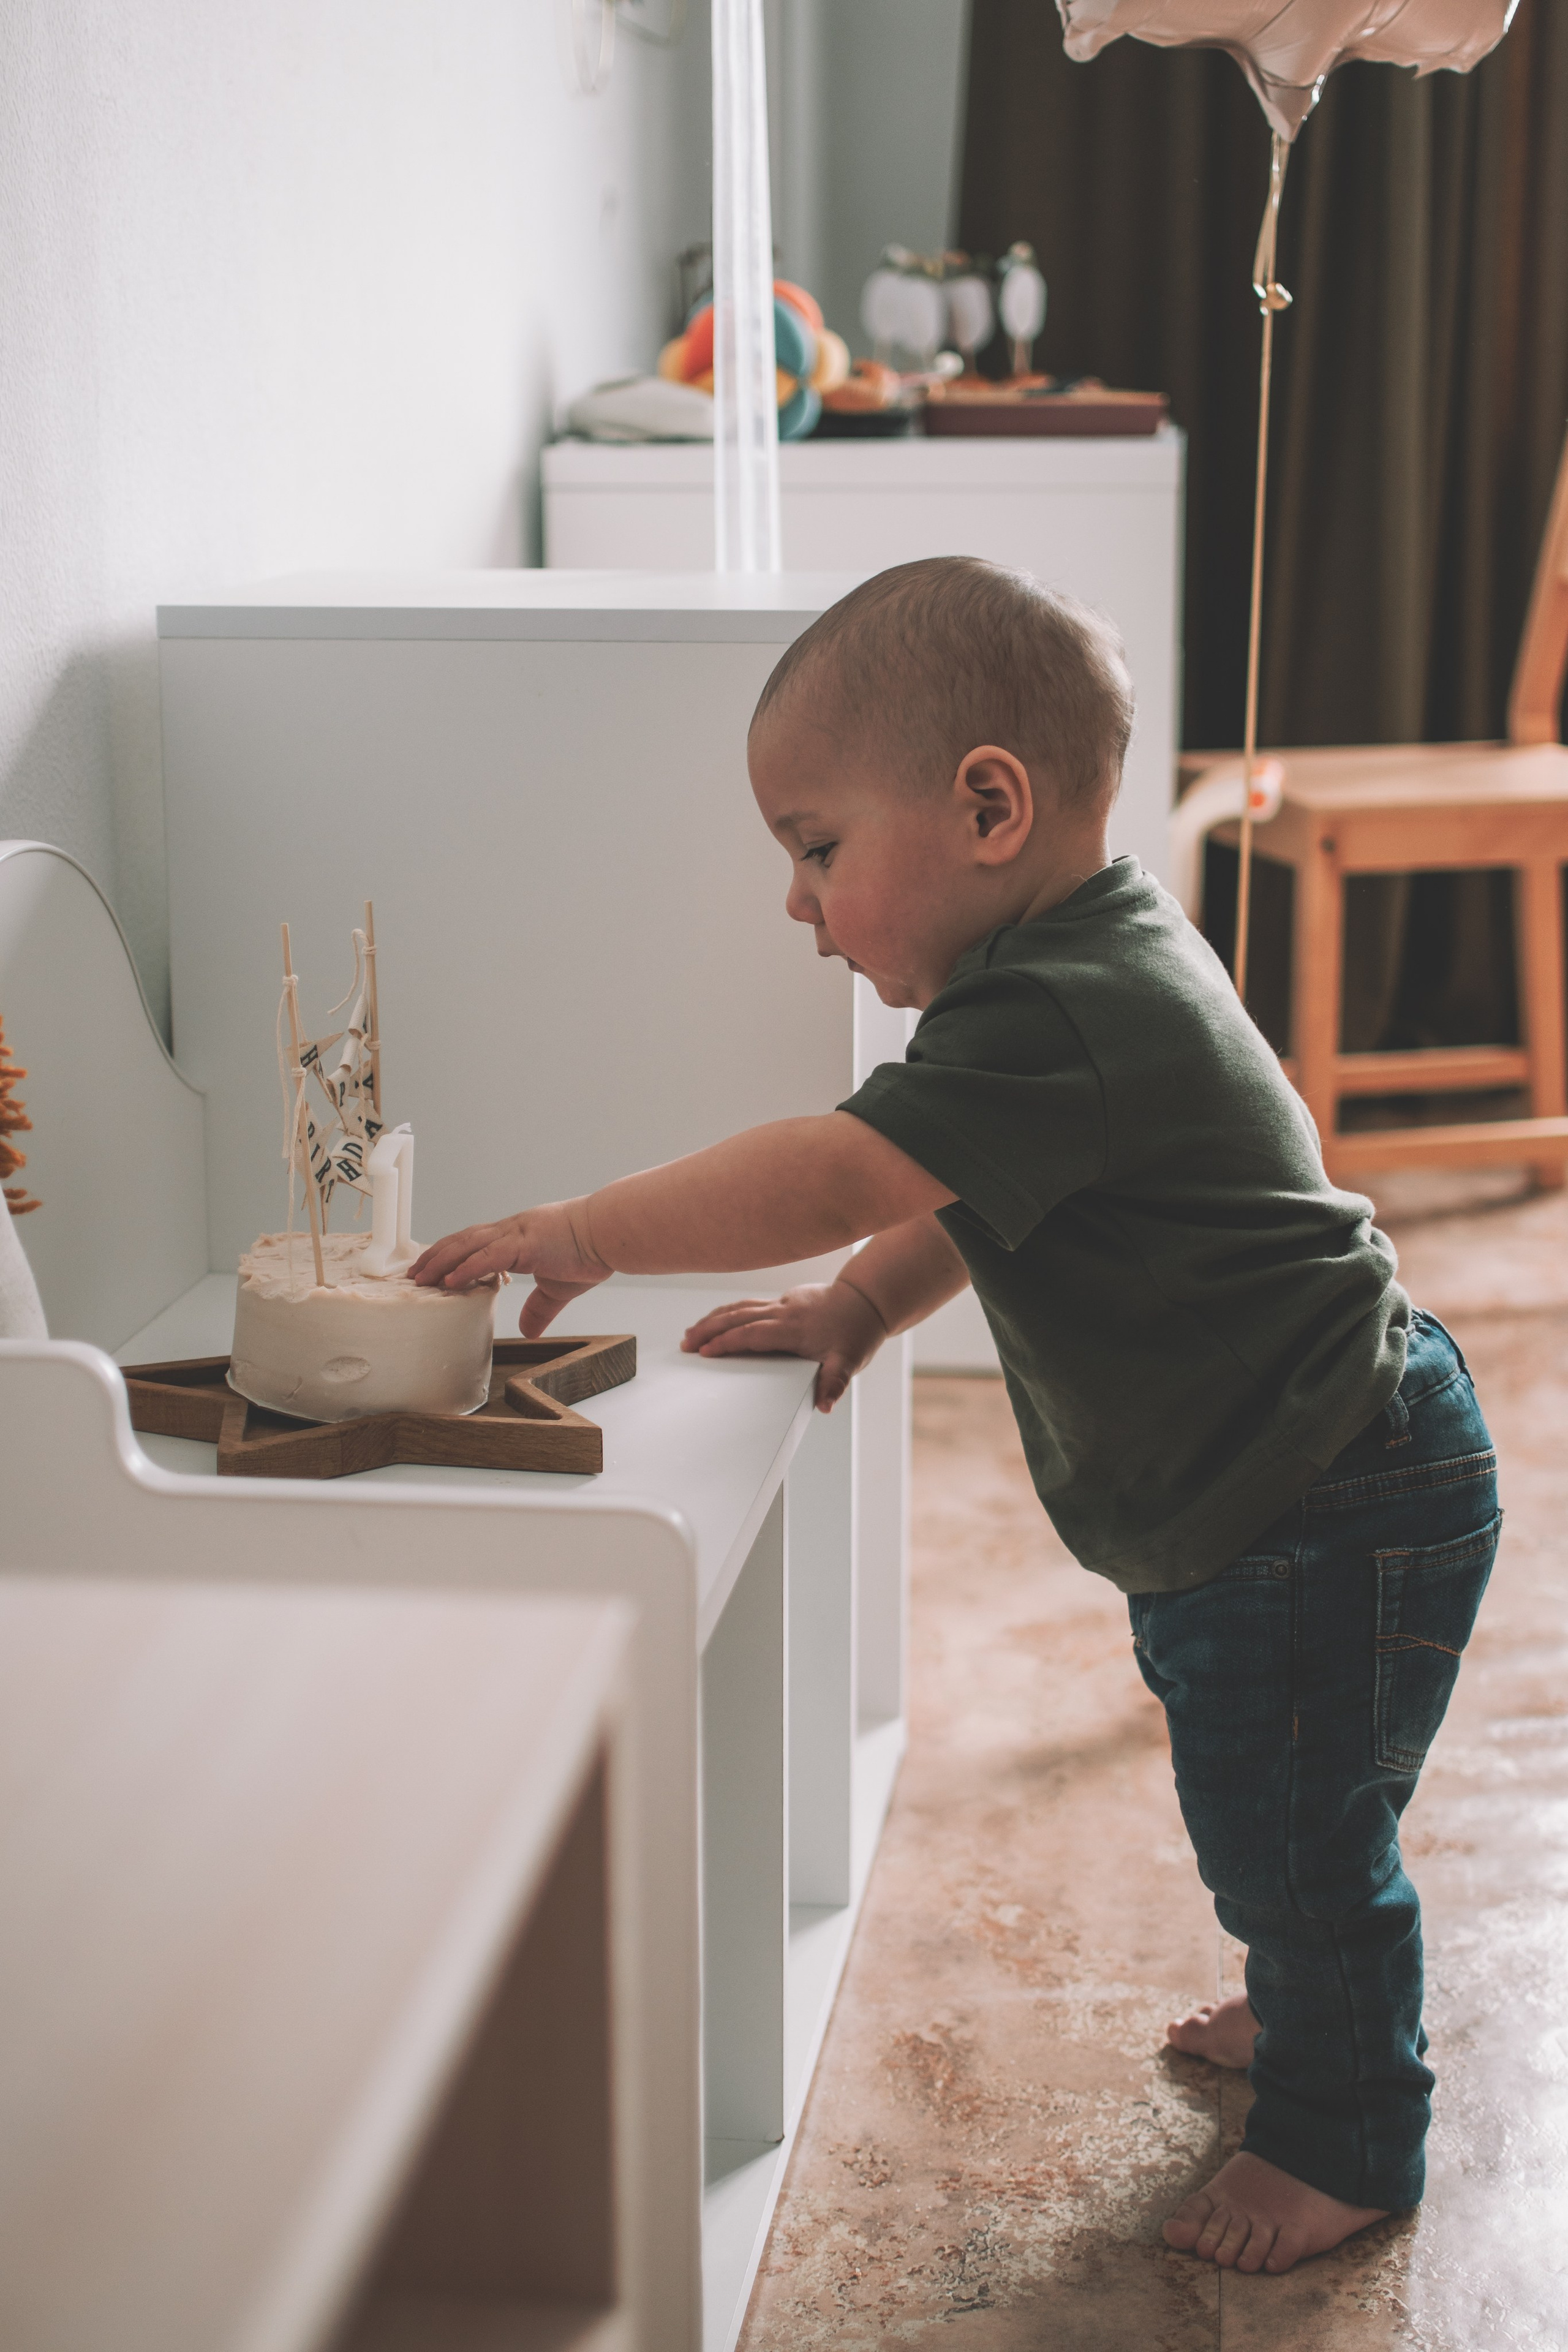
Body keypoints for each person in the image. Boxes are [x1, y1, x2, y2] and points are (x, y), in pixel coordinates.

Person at [412, 557, 1499, 2276]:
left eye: (817, 846)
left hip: (1323, 1491)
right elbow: (970, 1198)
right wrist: (858, 1305)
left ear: (987, 806)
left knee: (1295, 1828)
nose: (796, 900)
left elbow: (849, 1164)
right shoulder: (1071, 974)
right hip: (1313, 1472)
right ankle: (1310, 1993)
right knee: (1292, 1803)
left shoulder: (1065, 1002)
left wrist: (590, 1230)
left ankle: (1348, 2131)